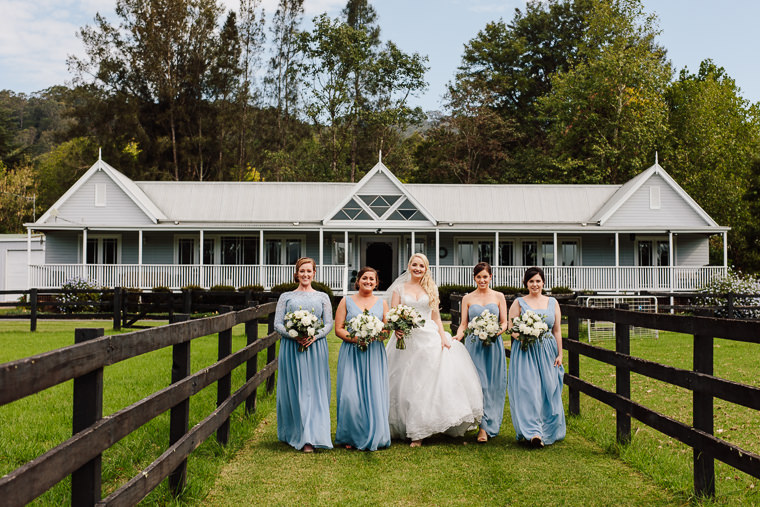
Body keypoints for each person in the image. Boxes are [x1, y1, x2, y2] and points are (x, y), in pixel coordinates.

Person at [386, 253, 483, 447]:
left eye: (421, 266)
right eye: (414, 265)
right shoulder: (399, 289)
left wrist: (442, 337)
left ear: (426, 268)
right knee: (404, 382)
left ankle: (420, 431)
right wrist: (397, 327)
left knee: (425, 384)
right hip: (406, 337)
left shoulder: (431, 288)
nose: (417, 269)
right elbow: (392, 314)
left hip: (428, 337)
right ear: (409, 266)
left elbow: (436, 317)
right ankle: (403, 426)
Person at [274, 257, 334, 453]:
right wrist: (294, 335)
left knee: (314, 390)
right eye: (302, 271)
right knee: (295, 388)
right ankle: (296, 432)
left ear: (314, 273)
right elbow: (278, 324)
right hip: (292, 348)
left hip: (316, 347)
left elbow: (328, 323)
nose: (305, 274)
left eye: (309, 271)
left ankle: (313, 435)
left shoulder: (323, 297)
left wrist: (313, 336)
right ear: (296, 273)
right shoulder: (286, 297)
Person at [507, 266, 565, 447]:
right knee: (528, 389)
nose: (535, 284)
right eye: (531, 281)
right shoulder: (519, 303)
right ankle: (533, 432)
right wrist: (524, 337)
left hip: (547, 349)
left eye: (538, 281)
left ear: (543, 283)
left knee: (548, 389)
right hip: (525, 350)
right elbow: (511, 328)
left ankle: (547, 428)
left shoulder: (552, 302)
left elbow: (557, 330)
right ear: (526, 283)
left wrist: (560, 353)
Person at [334, 266, 391, 451]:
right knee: (350, 395)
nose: (368, 281)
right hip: (352, 352)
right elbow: (339, 328)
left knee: (373, 393)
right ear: (358, 281)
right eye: (364, 278)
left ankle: (375, 433)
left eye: (371, 279)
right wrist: (356, 338)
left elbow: (386, 330)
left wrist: (375, 336)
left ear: (376, 283)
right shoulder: (346, 301)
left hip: (374, 353)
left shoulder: (382, 303)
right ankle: (350, 435)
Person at [453, 262, 508, 443]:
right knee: (478, 384)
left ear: (491, 277)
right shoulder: (467, 298)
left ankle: (489, 424)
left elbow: (504, 323)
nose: (482, 280)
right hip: (474, 345)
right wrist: (457, 338)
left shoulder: (499, 296)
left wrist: (494, 333)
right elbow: (463, 324)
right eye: (479, 277)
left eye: (485, 276)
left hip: (493, 345)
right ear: (474, 278)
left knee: (493, 385)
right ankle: (481, 427)